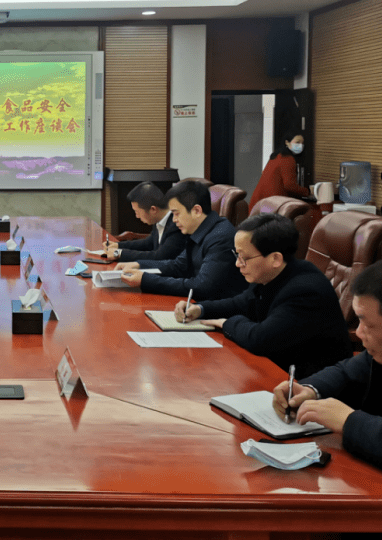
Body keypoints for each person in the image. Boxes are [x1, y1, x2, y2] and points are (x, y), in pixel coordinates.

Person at [273, 257, 382, 496]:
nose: (359, 333)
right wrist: (310, 389)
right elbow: (349, 370)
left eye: (368, 324)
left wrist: (350, 422)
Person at [175, 213, 352, 378]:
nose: (238, 264)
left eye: (244, 258)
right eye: (236, 255)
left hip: (308, 384)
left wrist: (227, 323)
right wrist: (200, 309)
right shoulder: (270, 275)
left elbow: (260, 339)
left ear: (275, 258)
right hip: (277, 368)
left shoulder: (305, 291)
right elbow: (242, 303)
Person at [116, 180, 247, 301]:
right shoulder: (199, 230)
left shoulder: (220, 236)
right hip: (195, 304)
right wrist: (139, 265)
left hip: (216, 312)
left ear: (196, 210)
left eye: (177, 213)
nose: (173, 220)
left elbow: (202, 286)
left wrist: (145, 280)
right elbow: (178, 265)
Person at [103, 182, 184, 262]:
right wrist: (118, 245)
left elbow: (160, 256)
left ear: (153, 209)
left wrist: (119, 253)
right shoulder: (159, 219)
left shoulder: (176, 225)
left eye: (137, 212)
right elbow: (148, 243)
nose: (137, 216)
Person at [247, 133, 310, 212]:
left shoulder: (277, 155)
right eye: (297, 142)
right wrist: (307, 192)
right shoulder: (287, 159)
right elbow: (289, 185)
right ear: (287, 142)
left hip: (260, 202)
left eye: (302, 143)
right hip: (271, 204)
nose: (300, 145)